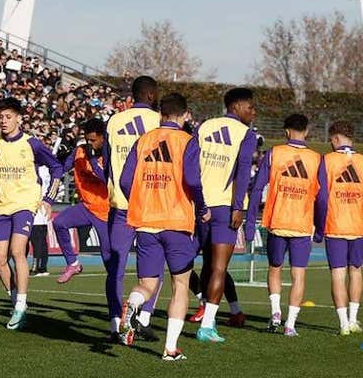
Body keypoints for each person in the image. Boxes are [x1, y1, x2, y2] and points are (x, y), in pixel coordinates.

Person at [117, 92, 204, 361]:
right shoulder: (187, 141)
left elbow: (125, 180)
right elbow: (193, 179)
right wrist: (202, 207)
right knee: (180, 285)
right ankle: (170, 349)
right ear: (185, 114)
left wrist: (142, 199)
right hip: (176, 221)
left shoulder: (143, 140)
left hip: (146, 221)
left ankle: (132, 304)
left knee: (147, 285)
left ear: (161, 113)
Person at [0, 97, 62, 331]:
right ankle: (14, 299)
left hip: (24, 205)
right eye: (1, 118)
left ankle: (21, 304)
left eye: (8, 117)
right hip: (0, 206)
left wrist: (48, 198)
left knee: (17, 251)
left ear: (19, 119)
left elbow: (57, 167)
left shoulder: (32, 144)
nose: (4, 122)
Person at [191, 87, 257, 341]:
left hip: (199, 205)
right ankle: (207, 326)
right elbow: (242, 172)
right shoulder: (245, 134)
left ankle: (146, 311)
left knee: (186, 262)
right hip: (225, 207)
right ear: (237, 107)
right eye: (250, 107)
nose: (254, 112)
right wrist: (238, 206)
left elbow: (191, 164)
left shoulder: (204, 126)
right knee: (218, 267)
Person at [247, 113, 322, 336]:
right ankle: (290, 324)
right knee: (299, 275)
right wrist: (320, 225)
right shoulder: (317, 158)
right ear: (306, 132)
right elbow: (323, 198)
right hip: (302, 225)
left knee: (274, 269)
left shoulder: (274, 153)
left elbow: (257, 188)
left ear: (286, 131)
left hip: (277, 222)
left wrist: (250, 222)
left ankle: (275, 312)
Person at [104, 76, 163, 338]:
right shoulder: (159, 122)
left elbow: (106, 163)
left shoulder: (114, 121)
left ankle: (116, 323)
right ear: (151, 96)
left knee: (116, 268)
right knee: (152, 266)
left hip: (120, 204)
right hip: (151, 205)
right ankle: (144, 318)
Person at [53, 118, 111, 284]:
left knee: (108, 258)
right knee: (59, 223)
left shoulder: (109, 155)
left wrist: (93, 160)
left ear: (102, 138)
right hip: (86, 207)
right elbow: (63, 167)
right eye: (87, 140)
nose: (90, 143)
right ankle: (73, 263)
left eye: (93, 140)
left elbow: (104, 178)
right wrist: (55, 164)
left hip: (104, 211)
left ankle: (117, 302)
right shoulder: (79, 151)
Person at [319, 120, 363, 335]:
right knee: (356, 271)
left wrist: (318, 226)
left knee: (338, 274)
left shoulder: (327, 160)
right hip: (358, 226)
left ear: (336, 138)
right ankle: (354, 320)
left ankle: (343, 324)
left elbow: (322, 197)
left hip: (335, 224)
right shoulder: (362, 161)